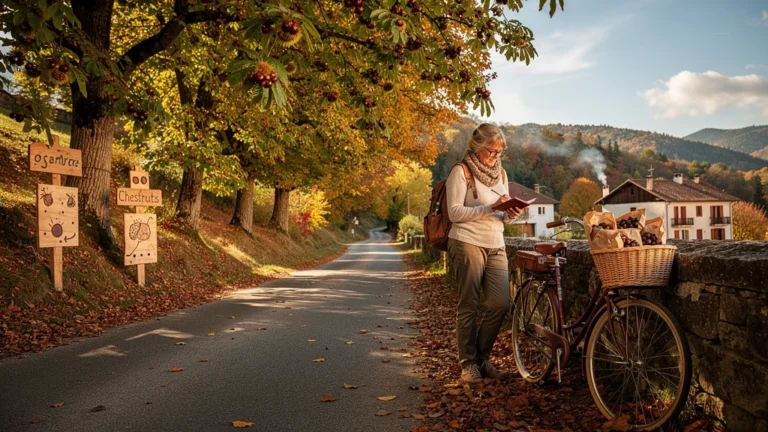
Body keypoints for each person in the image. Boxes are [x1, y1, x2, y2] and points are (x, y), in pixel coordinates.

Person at [445, 123, 522, 384]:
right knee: (470, 303)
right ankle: (468, 364)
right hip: (467, 241)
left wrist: (509, 214)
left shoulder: (501, 174)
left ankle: (481, 359)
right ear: (477, 148)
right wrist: (491, 208)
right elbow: (454, 213)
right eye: (491, 151)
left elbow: (502, 214)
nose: (495, 157)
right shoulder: (461, 171)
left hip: (496, 242)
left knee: (500, 304)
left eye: (499, 153)